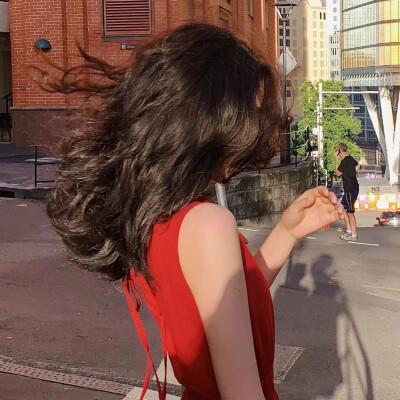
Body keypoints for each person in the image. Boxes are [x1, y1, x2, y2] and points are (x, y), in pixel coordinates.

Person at [45, 24, 344, 400]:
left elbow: (227, 305)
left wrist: (286, 233)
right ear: (209, 117)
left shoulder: (158, 215)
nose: (254, 127)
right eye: (247, 110)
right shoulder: (207, 224)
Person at [335, 143, 360, 241]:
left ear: (340, 151)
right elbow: (358, 166)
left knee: (350, 211)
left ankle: (354, 235)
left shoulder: (344, 161)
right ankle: (349, 230)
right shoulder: (350, 158)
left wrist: (336, 160)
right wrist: (351, 173)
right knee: (342, 208)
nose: (337, 154)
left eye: (337, 151)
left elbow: (337, 173)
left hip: (350, 189)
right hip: (353, 188)